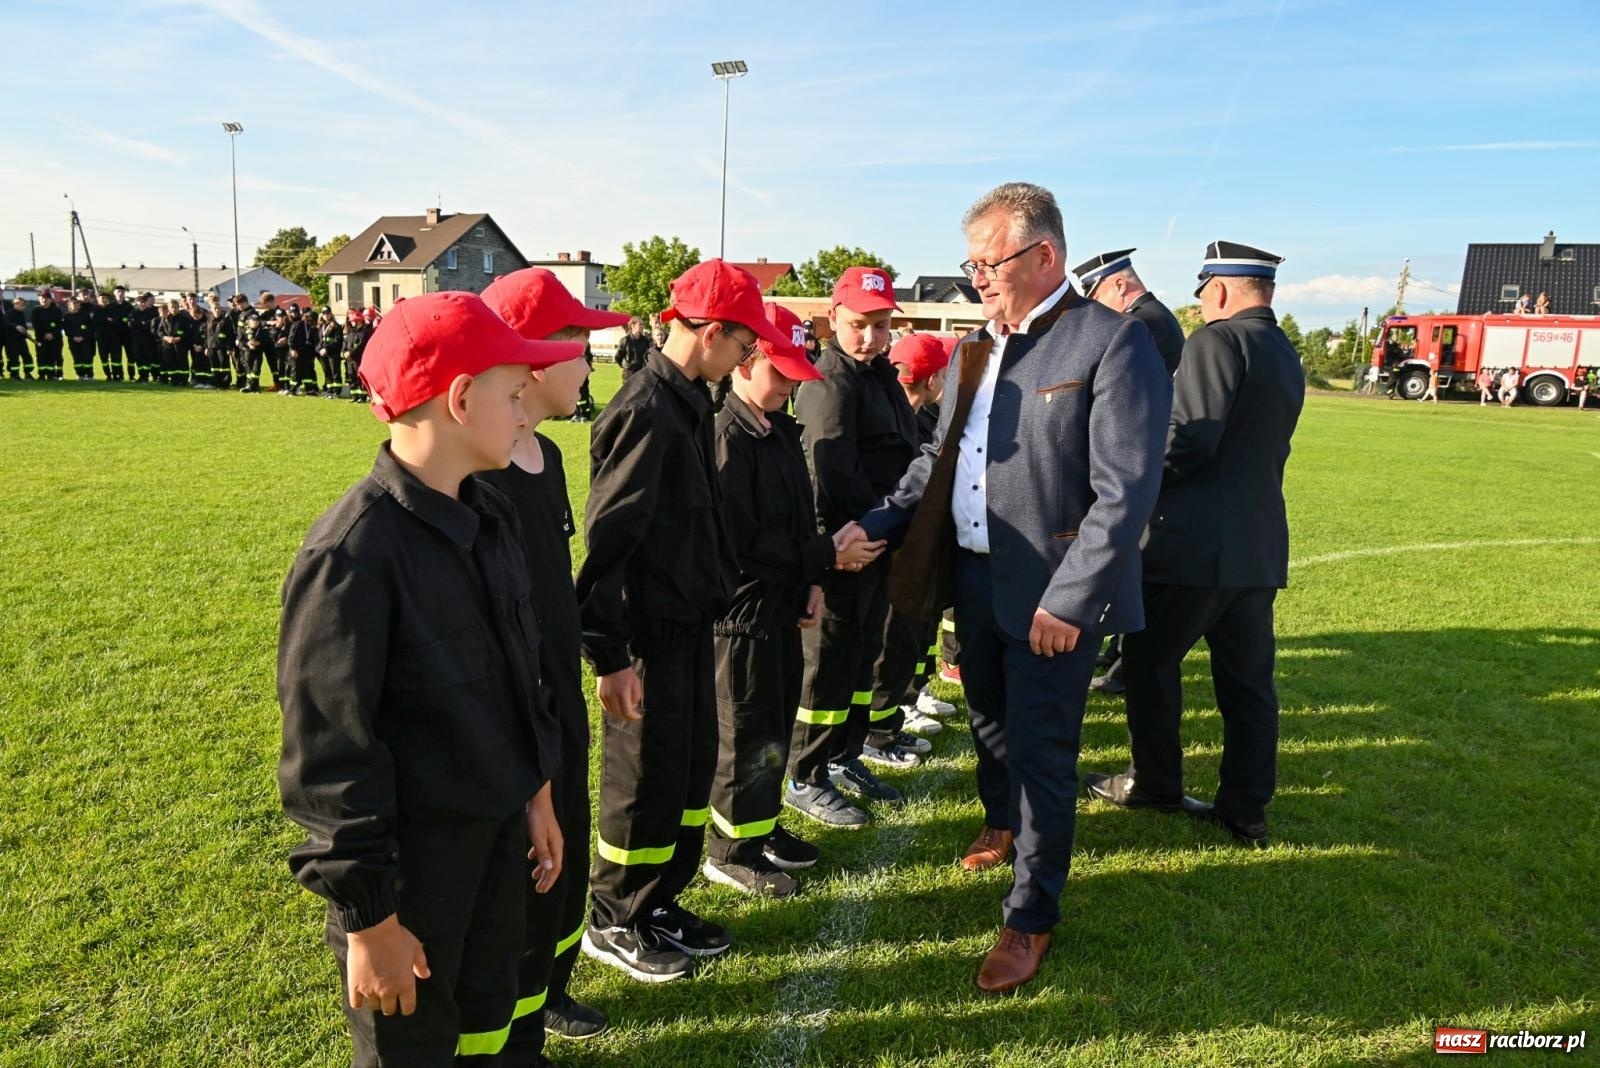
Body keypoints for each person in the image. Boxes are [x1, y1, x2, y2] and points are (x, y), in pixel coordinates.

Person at [837, 182, 1170, 993]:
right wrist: (881, 521)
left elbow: (1125, 490)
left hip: (1053, 596)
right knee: (988, 725)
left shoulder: (1111, 342)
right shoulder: (976, 348)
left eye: (991, 262)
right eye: (972, 264)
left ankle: (1030, 917)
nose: (978, 277)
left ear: (1045, 255)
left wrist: (1072, 598)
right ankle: (1000, 822)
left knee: (1045, 753)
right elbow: (935, 458)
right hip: (976, 580)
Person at [277, 291, 579, 1066]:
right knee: (417, 1048)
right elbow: (331, 760)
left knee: (489, 1024)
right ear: (460, 397)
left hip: (498, 840)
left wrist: (536, 791)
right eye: (514, 394)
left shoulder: (490, 514)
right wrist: (369, 920)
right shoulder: (352, 559)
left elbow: (523, 674)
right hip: (415, 880)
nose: (524, 412)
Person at [575, 259, 788, 984]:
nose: (748, 356)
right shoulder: (644, 409)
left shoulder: (692, 402)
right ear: (708, 331)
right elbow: (609, 544)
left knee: (687, 773)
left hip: (696, 626)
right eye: (742, 342)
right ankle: (614, 915)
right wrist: (609, 654)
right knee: (644, 782)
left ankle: (660, 900)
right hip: (648, 640)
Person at [1087, 240, 1304, 855]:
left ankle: (1155, 782)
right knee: (1248, 686)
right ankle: (1246, 809)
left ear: (1220, 290)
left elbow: (1190, 440)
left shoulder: (1218, 340)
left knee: (1150, 665)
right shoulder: (1283, 349)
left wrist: (1126, 480)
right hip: (1256, 547)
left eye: (1203, 291)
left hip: (1192, 547)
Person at [476, 267, 631, 1057]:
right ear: (534, 358)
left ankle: (548, 990)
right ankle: (515, 1017)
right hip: (511, 709)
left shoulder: (551, 459)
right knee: (521, 871)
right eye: (582, 346)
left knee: (563, 859)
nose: (592, 363)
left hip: (560, 697)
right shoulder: (480, 472)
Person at [704, 302, 861, 900]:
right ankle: (730, 849)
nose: (793, 383)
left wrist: (811, 580)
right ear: (745, 361)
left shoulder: (778, 431)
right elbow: (742, 541)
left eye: (799, 371)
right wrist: (821, 557)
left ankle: (762, 827)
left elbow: (799, 520)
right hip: (741, 613)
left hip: (782, 604)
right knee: (742, 729)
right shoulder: (728, 438)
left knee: (774, 723)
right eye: (782, 369)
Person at [784, 266, 917, 832]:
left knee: (861, 659)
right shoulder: (828, 379)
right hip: (846, 547)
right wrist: (857, 538)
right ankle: (803, 774)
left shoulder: (879, 374)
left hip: (877, 545)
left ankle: (844, 755)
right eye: (860, 324)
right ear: (834, 316)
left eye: (882, 325)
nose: (871, 336)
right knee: (827, 668)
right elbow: (831, 471)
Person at [1074, 249, 1185, 694]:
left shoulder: (1143, 324)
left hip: (1137, 459)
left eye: (1099, 292)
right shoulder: (1150, 319)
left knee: (1124, 559)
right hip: (1143, 457)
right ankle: (1119, 652)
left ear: (1120, 284)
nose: (1096, 304)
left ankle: (1123, 664)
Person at [870, 332, 958, 741]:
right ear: (933, 378)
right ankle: (886, 717)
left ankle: (907, 698)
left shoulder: (917, 417)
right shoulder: (902, 419)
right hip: (894, 541)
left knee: (913, 634)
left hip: (913, 541)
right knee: (892, 639)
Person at [1073, 248, 1186, 375]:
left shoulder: (1135, 323)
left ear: (1120, 285)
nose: (1096, 306)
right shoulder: (1153, 311)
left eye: (1097, 297)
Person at [30, 290, 65, 381]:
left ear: (50, 299)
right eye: (42, 298)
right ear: (39, 299)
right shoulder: (35, 311)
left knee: (52, 356)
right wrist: (44, 334)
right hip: (41, 338)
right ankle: (41, 375)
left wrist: (52, 334)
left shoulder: (56, 310)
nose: (44, 300)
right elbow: (36, 325)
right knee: (41, 356)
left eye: (46, 298)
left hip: (55, 338)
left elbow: (60, 324)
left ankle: (50, 375)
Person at [288, 304, 319, 396]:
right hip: (297, 351)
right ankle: (293, 389)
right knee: (295, 370)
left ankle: (309, 389)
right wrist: (293, 349)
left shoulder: (312, 327)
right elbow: (291, 338)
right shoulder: (298, 324)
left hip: (307, 352)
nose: (311, 321)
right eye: (309, 319)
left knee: (308, 371)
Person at [130, 293, 160, 382]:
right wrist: (142, 325)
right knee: (138, 358)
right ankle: (141, 375)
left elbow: (151, 326)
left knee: (146, 358)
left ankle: (145, 376)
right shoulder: (133, 313)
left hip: (147, 340)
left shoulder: (151, 313)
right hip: (136, 339)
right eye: (140, 302)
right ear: (136, 303)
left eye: (144, 302)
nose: (142, 304)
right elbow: (131, 326)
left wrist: (141, 325)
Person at [64, 296, 95, 381]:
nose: (74, 304)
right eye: (72, 303)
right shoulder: (67, 316)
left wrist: (83, 337)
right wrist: (73, 337)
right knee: (77, 358)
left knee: (87, 357)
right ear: (69, 304)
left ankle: (89, 375)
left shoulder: (85, 315)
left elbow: (90, 327)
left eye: (76, 303)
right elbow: (66, 329)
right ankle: (80, 375)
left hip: (85, 340)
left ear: (79, 304)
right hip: (73, 341)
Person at [344, 311, 372, 403]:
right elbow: (346, 343)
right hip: (349, 360)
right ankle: (355, 395)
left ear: (359, 321)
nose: (351, 322)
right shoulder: (351, 332)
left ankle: (362, 396)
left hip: (358, 359)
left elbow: (361, 346)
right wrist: (344, 352)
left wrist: (350, 353)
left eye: (353, 321)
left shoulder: (364, 333)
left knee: (359, 378)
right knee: (351, 377)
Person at [316, 308, 344, 397]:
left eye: (327, 313)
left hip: (333, 353)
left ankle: (337, 391)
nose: (326, 315)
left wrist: (327, 349)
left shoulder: (336, 326)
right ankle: (330, 390)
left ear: (331, 314)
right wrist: (319, 349)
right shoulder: (322, 326)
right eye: (324, 314)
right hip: (323, 353)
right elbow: (320, 340)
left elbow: (337, 341)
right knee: (327, 372)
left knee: (335, 372)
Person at [6, 297, 34, 378]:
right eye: (22, 305)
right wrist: (15, 326)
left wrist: (26, 334)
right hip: (11, 340)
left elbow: (24, 327)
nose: (24, 307)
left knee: (27, 357)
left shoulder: (21, 314)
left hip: (21, 340)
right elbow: (7, 324)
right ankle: (14, 374)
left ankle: (28, 373)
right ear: (16, 304)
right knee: (14, 358)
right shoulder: (9, 313)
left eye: (24, 305)